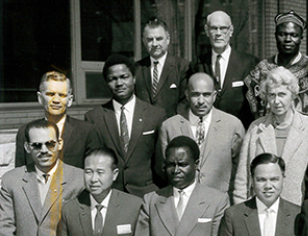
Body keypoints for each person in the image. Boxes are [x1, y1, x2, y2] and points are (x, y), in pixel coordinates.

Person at [234, 67, 308, 206]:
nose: (276, 101)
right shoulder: (256, 128)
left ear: (293, 95)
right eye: (272, 95)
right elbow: (242, 178)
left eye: (282, 94)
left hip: (297, 209)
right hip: (259, 209)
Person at [86, 54, 167, 197]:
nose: (119, 83)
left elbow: (161, 162)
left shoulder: (155, 115)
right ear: (106, 82)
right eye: (113, 79)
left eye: (124, 77)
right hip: (111, 195)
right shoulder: (94, 117)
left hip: (147, 194)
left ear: (134, 78)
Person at [159, 72, 245, 200]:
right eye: (195, 95)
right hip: (181, 202)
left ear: (214, 96)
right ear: (187, 95)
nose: (200, 101)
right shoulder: (170, 126)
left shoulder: (233, 125)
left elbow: (241, 171)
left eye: (206, 95)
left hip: (220, 204)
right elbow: (163, 168)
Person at [244, 10, 308, 119]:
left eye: (294, 35)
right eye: (282, 34)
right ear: (275, 36)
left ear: (301, 38)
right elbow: (252, 107)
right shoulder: (260, 70)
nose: (288, 39)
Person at [15, 71, 101, 169]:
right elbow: (20, 175)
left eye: (62, 95)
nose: (56, 100)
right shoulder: (25, 132)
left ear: (70, 100)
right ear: (40, 98)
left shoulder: (87, 131)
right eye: (51, 94)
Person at [192, 11, 259, 128]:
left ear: (231, 30)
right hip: (209, 132)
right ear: (207, 31)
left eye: (223, 28)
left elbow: (256, 103)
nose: (218, 33)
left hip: (240, 133)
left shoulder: (249, 63)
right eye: (214, 28)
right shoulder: (197, 64)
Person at [135, 17, 190, 118]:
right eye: (150, 39)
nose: (155, 44)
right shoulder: (136, 69)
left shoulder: (183, 67)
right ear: (144, 41)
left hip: (172, 128)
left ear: (168, 39)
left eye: (159, 39)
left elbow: (186, 101)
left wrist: (172, 125)